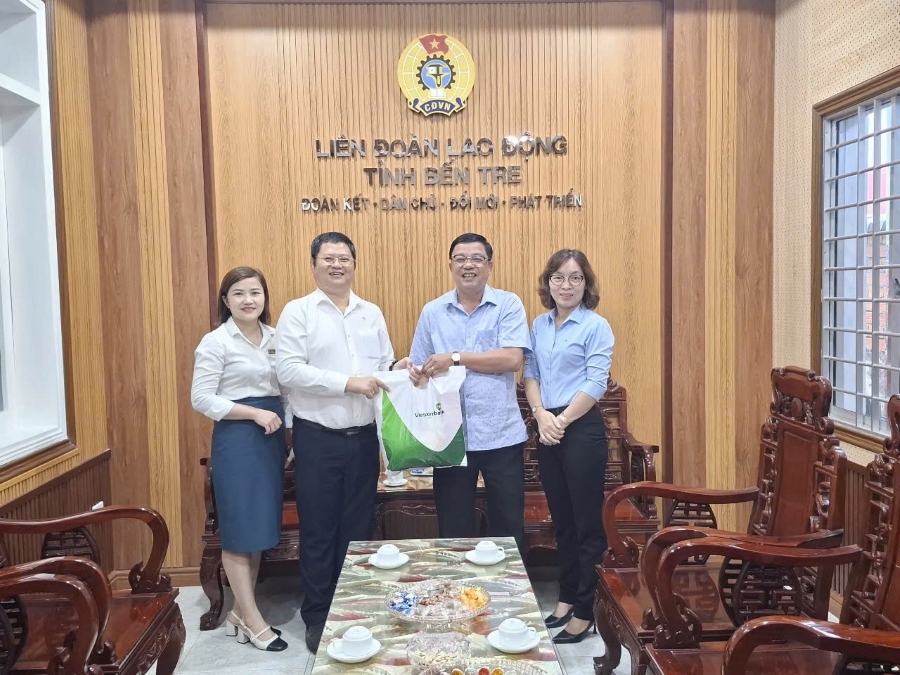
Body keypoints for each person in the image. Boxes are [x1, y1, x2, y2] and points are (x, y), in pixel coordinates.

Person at [275, 232, 405, 654]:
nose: (337, 265)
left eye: (344, 258)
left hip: (363, 439)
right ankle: (318, 616)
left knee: (357, 530)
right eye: (328, 258)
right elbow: (288, 370)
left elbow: (381, 367)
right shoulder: (298, 312)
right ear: (313, 264)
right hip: (318, 438)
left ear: (354, 264)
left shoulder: (371, 313)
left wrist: (398, 368)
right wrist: (347, 383)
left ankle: (354, 611)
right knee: (319, 530)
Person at [406, 232, 530, 550]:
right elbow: (419, 367)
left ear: (490, 265)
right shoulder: (433, 312)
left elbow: (512, 359)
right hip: (450, 438)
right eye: (460, 259)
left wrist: (455, 358)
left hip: (500, 434)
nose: (468, 265)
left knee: (508, 527)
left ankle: (508, 585)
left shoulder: (508, 304)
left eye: (476, 258)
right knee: (453, 529)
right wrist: (410, 372)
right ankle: (457, 584)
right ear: (450, 266)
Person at [191, 267, 290, 652]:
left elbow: (286, 392)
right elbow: (201, 398)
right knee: (238, 529)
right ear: (225, 300)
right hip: (237, 440)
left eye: (255, 292)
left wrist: (291, 436)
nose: (248, 300)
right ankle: (253, 620)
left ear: (264, 297)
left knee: (259, 529)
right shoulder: (216, 342)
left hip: (271, 437)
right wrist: (253, 413)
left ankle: (238, 613)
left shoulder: (277, 338)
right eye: (238, 293)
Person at [523, 249, 614, 645]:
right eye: (558, 277)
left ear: (585, 284)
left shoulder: (596, 326)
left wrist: (560, 421)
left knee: (586, 523)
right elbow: (530, 373)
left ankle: (586, 610)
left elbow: (596, 382)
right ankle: (565, 598)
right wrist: (541, 415)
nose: (566, 285)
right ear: (549, 282)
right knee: (562, 521)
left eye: (575, 277)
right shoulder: (539, 325)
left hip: (580, 429)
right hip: (548, 427)